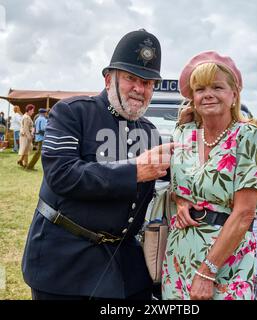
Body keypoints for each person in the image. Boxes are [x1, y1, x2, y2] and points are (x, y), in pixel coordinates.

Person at [22, 29, 174, 300]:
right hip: (64, 264)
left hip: (124, 265)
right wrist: (135, 171)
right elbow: (62, 175)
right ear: (108, 79)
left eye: (149, 82)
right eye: (131, 78)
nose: (140, 88)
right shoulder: (71, 112)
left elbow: (169, 180)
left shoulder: (150, 132)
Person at [161, 51, 257, 300]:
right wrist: (180, 201)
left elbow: (244, 213)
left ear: (233, 96)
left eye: (217, 87)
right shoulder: (183, 134)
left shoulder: (248, 136)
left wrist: (207, 273)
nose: (207, 94)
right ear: (193, 98)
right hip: (179, 255)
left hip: (227, 259)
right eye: (200, 89)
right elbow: (178, 186)